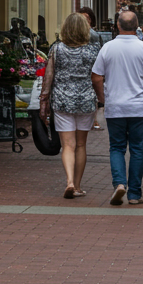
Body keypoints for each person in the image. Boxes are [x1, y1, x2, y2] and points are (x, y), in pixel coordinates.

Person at [91, 10, 143, 205]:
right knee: (138, 149)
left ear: (117, 25)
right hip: (139, 106)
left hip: (115, 106)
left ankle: (120, 184)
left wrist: (103, 99)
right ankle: (134, 194)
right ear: (137, 26)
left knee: (116, 147)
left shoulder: (107, 48)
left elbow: (96, 76)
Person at [40, 13, 101, 198]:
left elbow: (48, 77)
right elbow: (98, 77)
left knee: (67, 145)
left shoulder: (56, 50)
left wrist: (44, 100)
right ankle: (78, 186)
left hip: (62, 100)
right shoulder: (93, 50)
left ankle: (69, 181)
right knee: (81, 145)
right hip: (85, 100)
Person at [77, 6, 106, 130]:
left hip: (91, 69)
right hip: (82, 68)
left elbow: (99, 51)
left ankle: (93, 120)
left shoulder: (93, 35)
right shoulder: (75, 34)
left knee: (92, 93)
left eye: (87, 18)